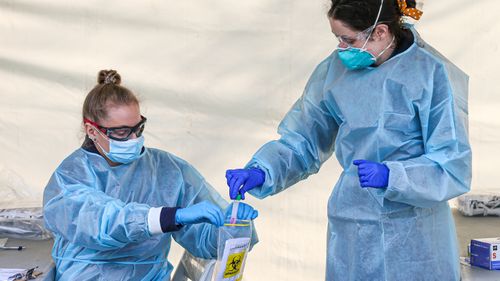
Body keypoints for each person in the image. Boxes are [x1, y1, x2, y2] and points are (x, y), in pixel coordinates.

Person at [225, 0, 471, 280]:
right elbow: (304, 138)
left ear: (379, 31)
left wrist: (394, 176)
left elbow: (451, 165)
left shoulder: (431, 74)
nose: (341, 48)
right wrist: (263, 170)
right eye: (338, 39)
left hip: (416, 233)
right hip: (354, 223)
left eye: (348, 39)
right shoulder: (335, 71)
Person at [43, 70, 258, 280]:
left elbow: (206, 245)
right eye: (121, 131)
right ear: (92, 131)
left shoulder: (168, 170)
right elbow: (103, 223)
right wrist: (169, 216)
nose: (134, 138)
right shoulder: (71, 177)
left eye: (139, 127)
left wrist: (233, 225)